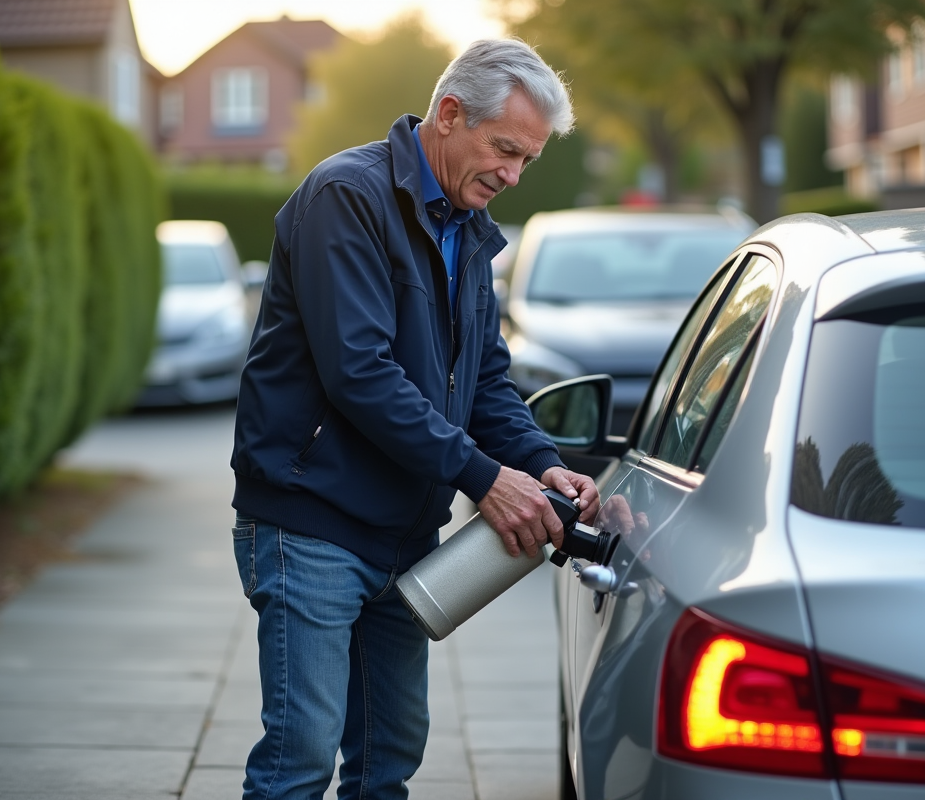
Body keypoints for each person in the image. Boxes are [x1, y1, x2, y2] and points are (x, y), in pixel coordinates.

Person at [230, 38, 600, 800]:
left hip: (405, 536)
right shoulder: (348, 197)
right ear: (449, 112)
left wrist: (539, 461)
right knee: (298, 760)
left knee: (388, 762)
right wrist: (482, 478)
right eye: (503, 149)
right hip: (311, 523)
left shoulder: (466, 227)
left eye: (526, 160)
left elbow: (486, 379)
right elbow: (359, 372)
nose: (511, 174)